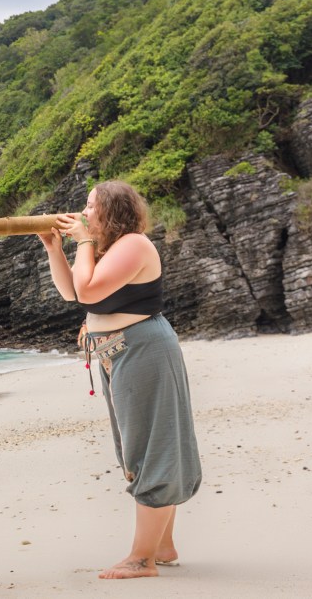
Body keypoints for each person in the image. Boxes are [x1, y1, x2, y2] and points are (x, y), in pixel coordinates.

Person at [38, 180, 201, 580]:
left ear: (111, 210)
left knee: (151, 447)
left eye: (91, 206)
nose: (84, 212)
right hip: (117, 354)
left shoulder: (133, 244)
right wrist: (54, 248)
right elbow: (72, 293)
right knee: (140, 446)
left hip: (143, 349)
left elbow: (91, 294)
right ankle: (161, 545)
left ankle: (141, 559)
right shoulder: (109, 248)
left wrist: (81, 242)